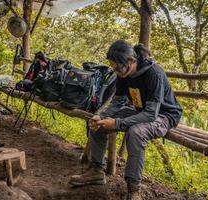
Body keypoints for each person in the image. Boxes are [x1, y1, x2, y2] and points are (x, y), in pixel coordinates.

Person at [69, 40, 183, 200]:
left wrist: (116, 123)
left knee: (136, 132)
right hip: (141, 111)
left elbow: (151, 114)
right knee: (98, 124)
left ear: (131, 60)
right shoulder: (123, 74)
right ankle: (96, 172)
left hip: (164, 115)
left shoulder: (153, 73)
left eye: (118, 67)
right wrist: (101, 116)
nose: (116, 71)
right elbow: (117, 102)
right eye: (113, 68)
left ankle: (134, 190)